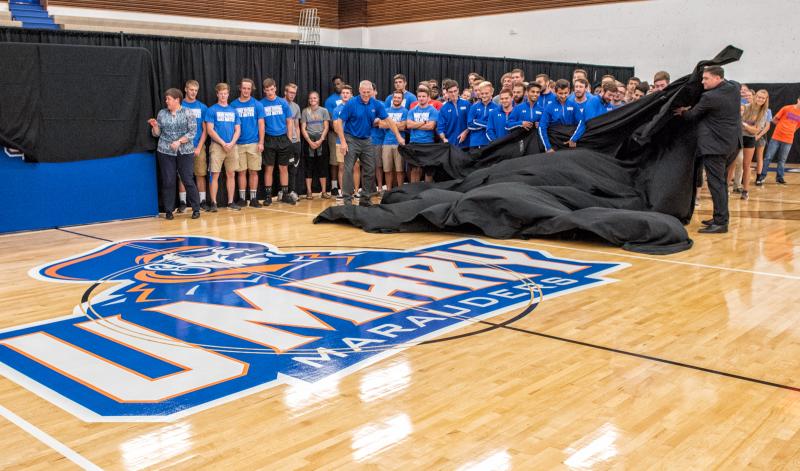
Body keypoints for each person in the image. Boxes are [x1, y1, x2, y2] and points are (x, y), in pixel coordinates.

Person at [674, 65, 741, 234]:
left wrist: (682, 111)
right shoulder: (734, 88)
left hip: (715, 147)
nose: (702, 82)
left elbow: (691, 116)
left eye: (706, 78)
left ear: (718, 78)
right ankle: (720, 216)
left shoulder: (710, 97)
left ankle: (721, 222)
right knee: (722, 183)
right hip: (731, 144)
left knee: (716, 184)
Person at [336, 80, 405, 206]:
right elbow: (338, 122)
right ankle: (347, 199)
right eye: (364, 92)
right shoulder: (351, 103)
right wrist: (343, 142)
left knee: (370, 169)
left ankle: (365, 198)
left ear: (372, 92)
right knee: (348, 169)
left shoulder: (376, 104)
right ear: (359, 90)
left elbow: (389, 121)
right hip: (351, 138)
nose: (366, 95)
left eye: (368, 92)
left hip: (367, 140)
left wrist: (398, 136)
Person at [148, 88, 201, 220]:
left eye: (168, 99)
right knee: (168, 181)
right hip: (165, 151)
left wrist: (179, 141)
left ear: (177, 100)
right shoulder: (162, 113)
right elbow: (157, 134)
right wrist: (155, 126)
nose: (166, 101)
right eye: (166, 99)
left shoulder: (188, 113)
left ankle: (196, 208)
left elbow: (192, 132)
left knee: (187, 179)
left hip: (185, 151)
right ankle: (168, 210)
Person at [204, 82, 241, 212]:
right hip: (217, 146)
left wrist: (231, 143)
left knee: (231, 174)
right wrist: (222, 143)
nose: (223, 96)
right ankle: (213, 203)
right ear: (217, 94)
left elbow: (237, 129)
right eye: (221, 93)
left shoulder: (233, 110)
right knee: (215, 174)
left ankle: (231, 202)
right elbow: (210, 130)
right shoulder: (212, 110)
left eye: (225, 93)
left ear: (228, 94)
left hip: (232, 146)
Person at [231, 78, 266, 208]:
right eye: (244, 88)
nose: (246, 90)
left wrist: (261, 142)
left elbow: (261, 124)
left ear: (252, 90)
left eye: (248, 88)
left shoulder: (257, 105)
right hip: (238, 143)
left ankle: (253, 198)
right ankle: (242, 198)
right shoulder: (233, 105)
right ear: (240, 88)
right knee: (241, 172)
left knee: (253, 171)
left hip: (254, 143)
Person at [260, 78, 295, 205]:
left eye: (271, 89)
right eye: (267, 90)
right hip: (269, 138)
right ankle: (268, 196)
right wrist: (262, 141)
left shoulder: (283, 102)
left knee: (283, 168)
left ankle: (285, 195)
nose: (269, 92)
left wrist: (289, 138)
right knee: (269, 168)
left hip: (283, 138)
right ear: (264, 90)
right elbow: (261, 124)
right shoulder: (261, 104)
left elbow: (289, 120)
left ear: (275, 88)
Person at [756, 97, 800, 185]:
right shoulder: (787, 108)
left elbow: (797, 126)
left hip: (788, 139)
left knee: (782, 160)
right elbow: (774, 119)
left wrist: (790, 130)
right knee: (768, 158)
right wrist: (781, 127)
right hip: (776, 137)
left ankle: (779, 178)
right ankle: (762, 176)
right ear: (798, 100)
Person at [180, 80, 209, 210]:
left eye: (196, 90)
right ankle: (182, 202)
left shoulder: (202, 107)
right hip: (183, 146)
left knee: (200, 173)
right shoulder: (180, 105)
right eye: (191, 90)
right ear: (186, 89)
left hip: (198, 146)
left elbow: (205, 130)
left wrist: (199, 147)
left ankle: (202, 201)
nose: (193, 92)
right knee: (182, 175)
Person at [739, 89, 771, 200]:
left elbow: (755, 131)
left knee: (746, 165)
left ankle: (745, 191)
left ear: (766, 100)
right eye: (759, 97)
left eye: (763, 98)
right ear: (755, 96)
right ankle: (726, 188)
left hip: (750, 139)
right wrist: (749, 127)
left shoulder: (764, 113)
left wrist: (745, 125)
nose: (760, 99)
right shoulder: (745, 107)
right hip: (738, 137)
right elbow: (736, 122)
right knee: (732, 164)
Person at [406, 85, 439, 182]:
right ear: (417, 97)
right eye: (419, 96)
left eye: (423, 96)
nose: (421, 98)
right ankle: (414, 192)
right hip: (414, 142)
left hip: (428, 143)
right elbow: (408, 125)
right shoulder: (412, 110)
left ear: (428, 97)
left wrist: (415, 124)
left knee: (428, 170)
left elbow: (431, 126)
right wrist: (424, 122)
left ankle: (427, 192)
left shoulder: (432, 110)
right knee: (414, 169)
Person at [301, 91, 330, 199]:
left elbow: (326, 126)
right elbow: (303, 128)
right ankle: (309, 191)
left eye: (315, 98)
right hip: (309, 142)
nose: (312, 100)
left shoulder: (324, 111)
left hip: (321, 141)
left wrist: (321, 140)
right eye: (310, 98)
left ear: (318, 99)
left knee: (322, 166)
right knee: (309, 167)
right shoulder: (305, 111)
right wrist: (309, 141)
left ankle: (323, 191)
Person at [538, 79, 582, 153]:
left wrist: (574, 138)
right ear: (555, 92)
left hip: (570, 140)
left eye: (566, 93)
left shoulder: (574, 105)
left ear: (570, 91)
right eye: (560, 93)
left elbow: (581, 123)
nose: (563, 96)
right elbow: (542, 127)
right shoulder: (549, 107)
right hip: (555, 142)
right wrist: (548, 147)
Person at [382, 90, 408, 190]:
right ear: (392, 98)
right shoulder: (386, 111)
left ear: (402, 99)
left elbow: (403, 126)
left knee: (399, 170)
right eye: (395, 97)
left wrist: (389, 124)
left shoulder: (405, 111)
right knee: (387, 169)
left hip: (399, 143)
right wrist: (397, 124)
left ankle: (400, 191)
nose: (396, 99)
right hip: (386, 143)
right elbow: (381, 124)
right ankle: (388, 190)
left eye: (399, 98)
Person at [324, 75, 345, 196]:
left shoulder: (350, 99)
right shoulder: (330, 100)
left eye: (338, 83)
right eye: (335, 84)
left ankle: (348, 185)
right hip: (334, 134)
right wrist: (338, 131)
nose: (337, 86)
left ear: (343, 83)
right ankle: (334, 186)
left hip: (348, 135)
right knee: (334, 161)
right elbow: (331, 119)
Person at [332, 85, 354, 197]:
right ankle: (342, 191)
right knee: (341, 166)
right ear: (341, 95)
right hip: (340, 141)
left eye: (347, 93)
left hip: (354, 141)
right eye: (343, 93)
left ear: (351, 95)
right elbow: (336, 127)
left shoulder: (355, 107)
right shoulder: (336, 109)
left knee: (355, 167)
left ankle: (355, 191)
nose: (345, 94)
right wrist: (343, 138)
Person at [437, 79, 470, 149]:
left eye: (455, 91)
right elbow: (440, 128)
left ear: (458, 90)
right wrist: (444, 139)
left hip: (466, 143)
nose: (453, 94)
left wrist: (465, 132)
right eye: (450, 92)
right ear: (447, 92)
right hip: (451, 144)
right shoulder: (443, 108)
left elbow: (471, 122)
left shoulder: (467, 104)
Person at [466, 81, 499, 149]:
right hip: (475, 142)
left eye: (486, 93)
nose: (484, 95)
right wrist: (488, 124)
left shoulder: (496, 108)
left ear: (492, 92)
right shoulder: (474, 107)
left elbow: (496, 125)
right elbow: (469, 125)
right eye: (482, 93)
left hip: (490, 142)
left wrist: (476, 121)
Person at [284, 83, 302, 201]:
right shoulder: (279, 104)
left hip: (295, 142)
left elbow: (296, 125)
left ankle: (292, 191)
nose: (292, 95)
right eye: (290, 92)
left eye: (294, 93)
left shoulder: (296, 106)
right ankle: (284, 191)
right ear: (285, 92)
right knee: (283, 167)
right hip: (283, 141)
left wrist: (298, 140)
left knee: (294, 168)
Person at [370, 84, 386, 193]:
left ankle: (380, 187)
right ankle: (370, 188)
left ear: (375, 92)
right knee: (367, 166)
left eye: (371, 90)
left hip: (378, 139)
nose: (369, 93)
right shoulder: (361, 104)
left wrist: (375, 121)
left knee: (378, 165)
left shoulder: (381, 104)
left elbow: (382, 121)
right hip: (365, 139)